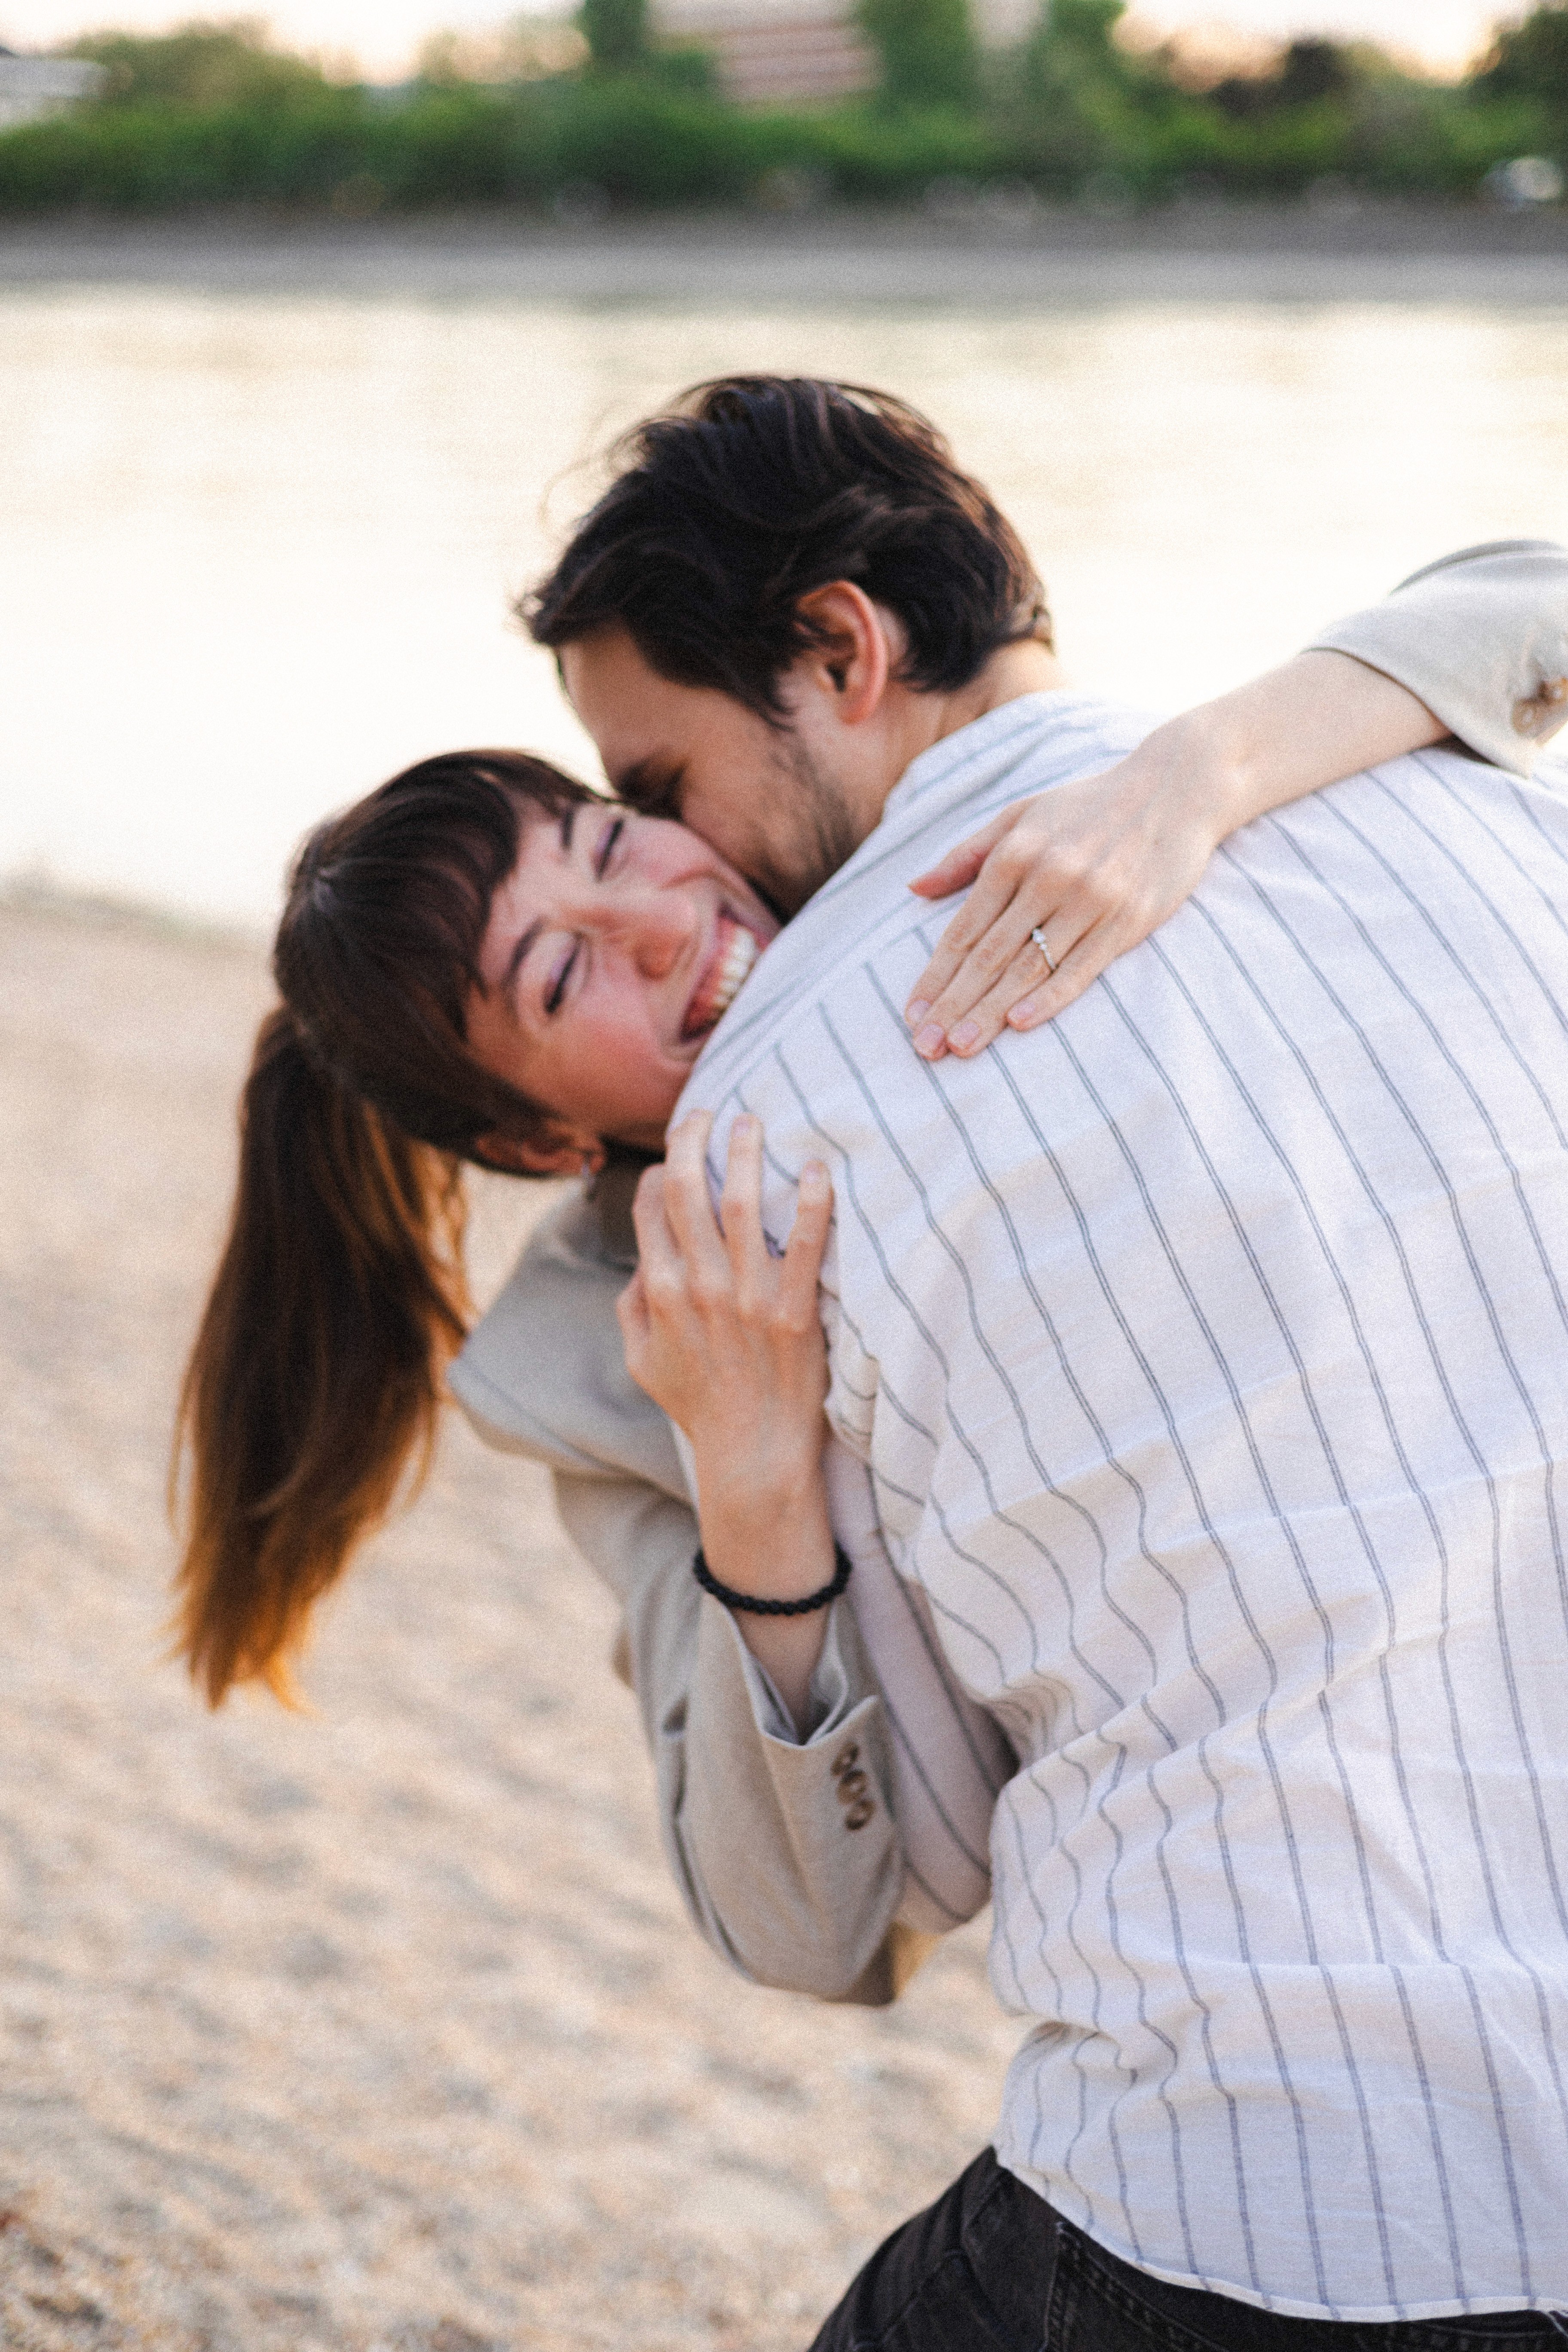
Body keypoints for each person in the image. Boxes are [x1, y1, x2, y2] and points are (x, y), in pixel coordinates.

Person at [174, 527, 1568, 2030]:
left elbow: (1531, 586)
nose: (657, 923)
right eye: (564, 978)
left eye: (623, 829)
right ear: (537, 1135)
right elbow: (809, 1930)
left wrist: (1205, 766)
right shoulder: (605, 1379)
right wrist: (756, 1481)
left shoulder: (1042, 846)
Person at [511, 376, 1568, 2337]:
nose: (693, 874)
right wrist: (1241, 751)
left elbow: (886, 1870)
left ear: (839, 650)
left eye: (659, 796)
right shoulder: (1486, 811)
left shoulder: (765, 1153)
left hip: (1262, 2201)